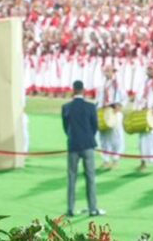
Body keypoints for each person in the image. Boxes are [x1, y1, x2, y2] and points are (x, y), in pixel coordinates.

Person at [62, 80, 103, 217]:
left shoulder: (66, 107)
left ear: (73, 90)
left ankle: (70, 209)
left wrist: (73, 136)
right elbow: (95, 126)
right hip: (87, 145)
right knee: (90, 177)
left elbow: (65, 127)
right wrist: (88, 137)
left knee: (72, 177)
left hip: (73, 145)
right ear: (83, 90)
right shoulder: (90, 107)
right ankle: (92, 208)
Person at [97, 66, 125, 169]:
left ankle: (115, 159)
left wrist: (119, 106)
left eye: (109, 71)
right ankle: (105, 160)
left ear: (113, 72)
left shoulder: (118, 84)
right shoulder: (102, 83)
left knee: (116, 138)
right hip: (104, 112)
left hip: (114, 113)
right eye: (105, 71)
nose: (107, 73)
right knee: (103, 137)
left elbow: (123, 98)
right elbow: (99, 98)